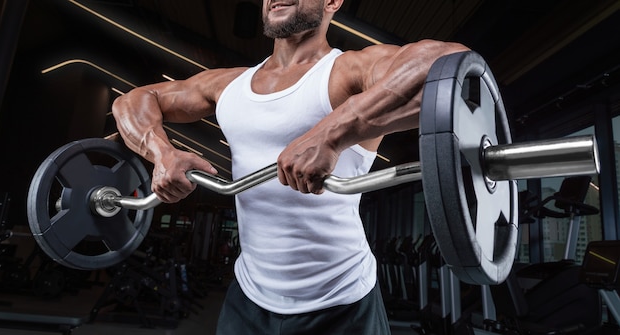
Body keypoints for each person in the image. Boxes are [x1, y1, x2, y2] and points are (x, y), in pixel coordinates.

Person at [112, 0, 469, 333]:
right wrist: (163, 155)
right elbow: (134, 100)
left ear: (332, 2)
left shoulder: (349, 70)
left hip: (342, 300)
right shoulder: (228, 84)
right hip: (249, 297)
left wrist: (331, 133)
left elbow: (451, 63)